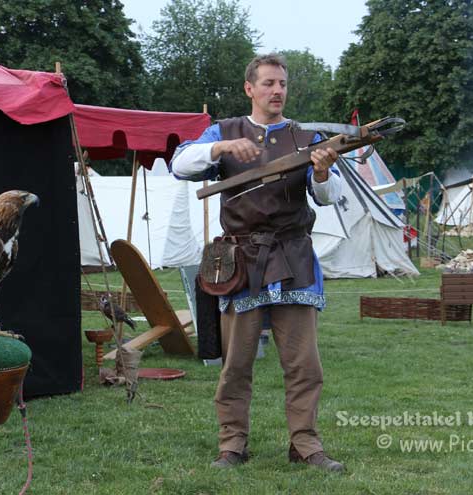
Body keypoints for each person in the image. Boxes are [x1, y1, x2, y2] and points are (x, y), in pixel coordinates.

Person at [170, 53, 344, 472]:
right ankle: (232, 444)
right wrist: (221, 146)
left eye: (282, 83)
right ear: (250, 88)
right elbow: (180, 163)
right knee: (237, 363)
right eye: (268, 83)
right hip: (242, 261)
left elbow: (329, 196)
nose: (277, 91)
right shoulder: (224, 130)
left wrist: (321, 173)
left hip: (293, 256)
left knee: (304, 363)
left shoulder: (306, 136)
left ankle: (305, 444)